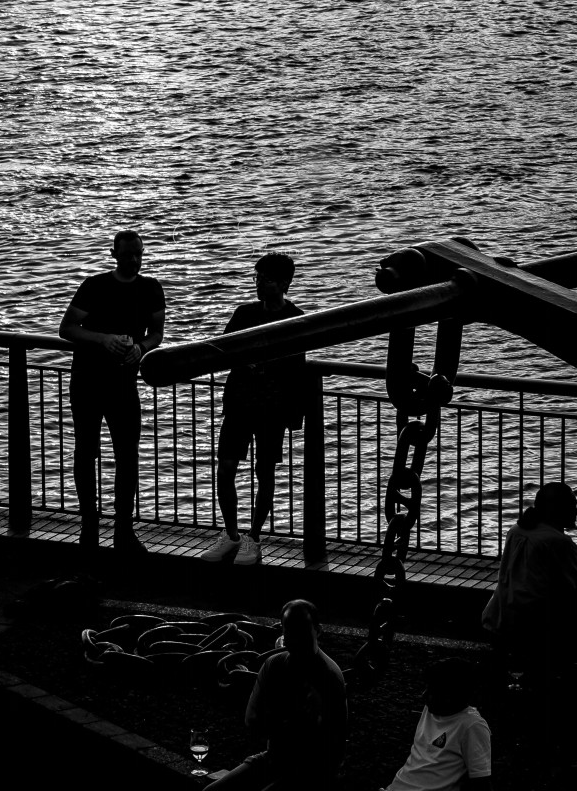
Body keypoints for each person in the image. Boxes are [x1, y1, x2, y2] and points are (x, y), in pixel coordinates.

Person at [59, 230, 165, 555]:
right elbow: (66, 329)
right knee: (85, 452)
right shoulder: (95, 285)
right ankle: (88, 524)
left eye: (138, 254)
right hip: (87, 381)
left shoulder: (151, 288)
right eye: (127, 254)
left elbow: (157, 334)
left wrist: (141, 348)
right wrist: (103, 339)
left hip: (123, 382)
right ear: (113, 254)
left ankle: (123, 529)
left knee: (127, 456)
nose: (133, 260)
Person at [201, 252, 306, 566]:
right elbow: (223, 347)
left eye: (267, 279)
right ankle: (232, 534)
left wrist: (293, 415)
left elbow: (297, 369)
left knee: (265, 473)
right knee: (226, 469)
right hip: (240, 402)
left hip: (272, 406)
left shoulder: (296, 317)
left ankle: (254, 537)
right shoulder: (244, 312)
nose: (260, 284)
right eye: (258, 278)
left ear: (284, 283)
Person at [482, 481, 577, 689]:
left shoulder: (516, 530)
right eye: (573, 507)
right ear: (557, 510)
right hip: (532, 622)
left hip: (501, 611)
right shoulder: (558, 541)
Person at [212, 599, 348, 790]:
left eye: (301, 632)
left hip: (313, 770)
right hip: (275, 758)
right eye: (290, 632)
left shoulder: (329, 677)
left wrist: (279, 722)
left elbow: (332, 746)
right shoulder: (273, 665)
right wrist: (296, 723)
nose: (296, 640)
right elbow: (251, 719)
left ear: (318, 630)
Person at [379, 657, 493, 791]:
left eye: (432, 691)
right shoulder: (431, 709)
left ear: (450, 696)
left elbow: (480, 781)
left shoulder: (471, 726)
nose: (423, 695)